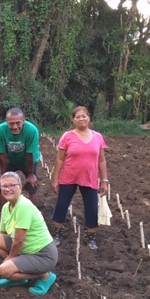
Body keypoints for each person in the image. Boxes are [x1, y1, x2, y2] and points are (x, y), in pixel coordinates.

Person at [0, 172, 58, 295]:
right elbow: (3, 234)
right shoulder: (6, 207)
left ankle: (45, 276)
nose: (7, 189)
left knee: (4, 270)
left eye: (12, 185)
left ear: (20, 188)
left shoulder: (23, 206)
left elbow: (19, 240)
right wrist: (11, 260)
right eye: (4, 186)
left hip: (43, 254)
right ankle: (18, 276)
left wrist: (10, 259)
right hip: (26, 249)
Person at [50, 106, 108, 250]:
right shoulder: (67, 136)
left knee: (92, 207)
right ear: (73, 120)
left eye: (84, 116)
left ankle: (91, 237)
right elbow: (60, 159)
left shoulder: (98, 137)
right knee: (62, 205)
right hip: (69, 176)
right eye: (78, 117)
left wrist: (105, 180)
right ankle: (57, 234)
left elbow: (101, 160)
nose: (81, 119)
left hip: (90, 177)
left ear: (89, 118)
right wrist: (55, 179)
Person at [0, 108, 41, 206]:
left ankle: (34, 215)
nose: (15, 127)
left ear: (23, 121)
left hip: (29, 160)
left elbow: (29, 153)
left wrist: (31, 174)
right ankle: (4, 216)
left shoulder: (31, 130)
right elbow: (2, 154)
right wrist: (3, 174)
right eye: (11, 124)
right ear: (6, 122)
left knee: (32, 186)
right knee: (3, 184)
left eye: (18, 123)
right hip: (11, 160)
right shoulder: (0, 130)